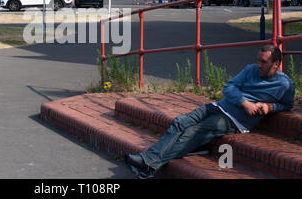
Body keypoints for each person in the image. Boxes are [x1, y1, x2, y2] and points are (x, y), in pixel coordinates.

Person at [124, 45, 295, 179]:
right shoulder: (250, 69)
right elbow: (229, 86)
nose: (259, 65)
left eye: (264, 62)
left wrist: (270, 107)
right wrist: (244, 102)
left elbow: (287, 105)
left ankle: (148, 162)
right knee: (180, 122)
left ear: (276, 64)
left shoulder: (285, 85)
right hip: (219, 106)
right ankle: (149, 163)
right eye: (258, 60)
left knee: (192, 132)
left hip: (235, 120)